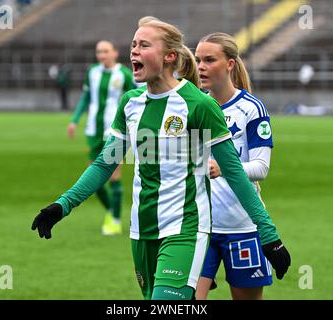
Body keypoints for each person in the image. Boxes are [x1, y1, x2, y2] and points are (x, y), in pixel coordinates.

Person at [31, 16, 290, 300]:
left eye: (144, 45)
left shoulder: (199, 105)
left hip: (186, 230)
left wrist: (269, 235)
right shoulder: (130, 103)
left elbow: (236, 174)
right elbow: (106, 164)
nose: (134, 51)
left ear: (169, 57)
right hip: (141, 231)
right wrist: (61, 206)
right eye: (133, 45)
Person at [194, 32, 283, 300]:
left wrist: (226, 168)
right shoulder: (193, 105)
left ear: (230, 64)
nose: (201, 66)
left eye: (210, 60)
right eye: (198, 60)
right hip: (200, 227)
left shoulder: (251, 109)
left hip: (243, 227)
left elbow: (261, 168)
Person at [67, 40, 135, 235]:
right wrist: (74, 120)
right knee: (93, 177)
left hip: (114, 131)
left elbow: (135, 98)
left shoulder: (124, 74)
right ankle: (111, 211)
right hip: (93, 131)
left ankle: (114, 220)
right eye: (99, 52)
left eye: (105, 51)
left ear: (115, 53)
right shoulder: (92, 72)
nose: (102, 55)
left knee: (113, 174)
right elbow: (86, 98)